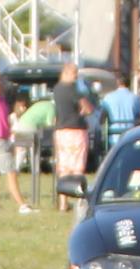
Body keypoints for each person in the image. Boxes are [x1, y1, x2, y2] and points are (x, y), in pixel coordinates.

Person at [0, 72, 28, 213]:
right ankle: (21, 205)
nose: (2, 84)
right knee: (11, 172)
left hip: (1, 138)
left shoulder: (2, 100)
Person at [50, 63, 87, 209]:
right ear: (67, 73)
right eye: (74, 73)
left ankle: (63, 203)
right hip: (76, 129)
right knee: (78, 166)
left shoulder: (57, 89)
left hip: (61, 130)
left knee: (64, 167)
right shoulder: (73, 89)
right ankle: (78, 200)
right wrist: (84, 110)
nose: (76, 76)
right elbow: (86, 107)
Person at [99, 73, 140, 150]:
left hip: (113, 136)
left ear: (117, 83)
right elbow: (138, 115)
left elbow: (102, 116)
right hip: (130, 135)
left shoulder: (108, 97)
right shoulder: (135, 98)